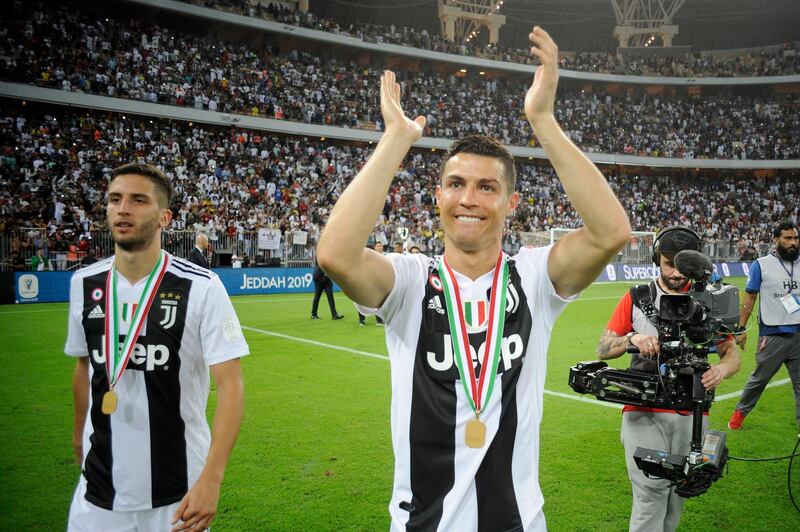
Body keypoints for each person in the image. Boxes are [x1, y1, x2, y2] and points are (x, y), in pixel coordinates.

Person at [317, 27, 631, 531]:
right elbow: (334, 254)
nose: (468, 199)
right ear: (437, 196)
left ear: (510, 204)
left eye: (487, 188)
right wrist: (396, 139)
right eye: (456, 184)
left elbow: (611, 232)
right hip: (422, 522)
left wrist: (543, 120)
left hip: (515, 521)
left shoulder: (532, 277)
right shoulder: (410, 282)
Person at [65, 162, 248, 532]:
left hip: (179, 490)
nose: (123, 208)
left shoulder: (201, 286)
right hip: (99, 488)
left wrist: (212, 478)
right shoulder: (83, 283)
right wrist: (77, 435)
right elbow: (84, 367)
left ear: (164, 217)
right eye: (115, 199)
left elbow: (231, 385)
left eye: (138, 200)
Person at [596, 226, 740, 532]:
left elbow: (732, 355)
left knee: (678, 497)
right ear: (656, 260)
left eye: (682, 264)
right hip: (643, 410)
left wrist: (721, 371)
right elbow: (603, 348)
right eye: (668, 262)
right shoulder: (637, 297)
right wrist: (633, 339)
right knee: (650, 495)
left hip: (693, 412)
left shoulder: (709, 301)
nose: (675, 271)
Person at [729, 220, 800, 430]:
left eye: (795, 238)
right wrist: (740, 329)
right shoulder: (761, 264)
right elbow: (750, 297)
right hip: (773, 334)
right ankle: (739, 413)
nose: (793, 242)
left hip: (799, 334)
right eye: (788, 238)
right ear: (776, 240)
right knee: (759, 379)